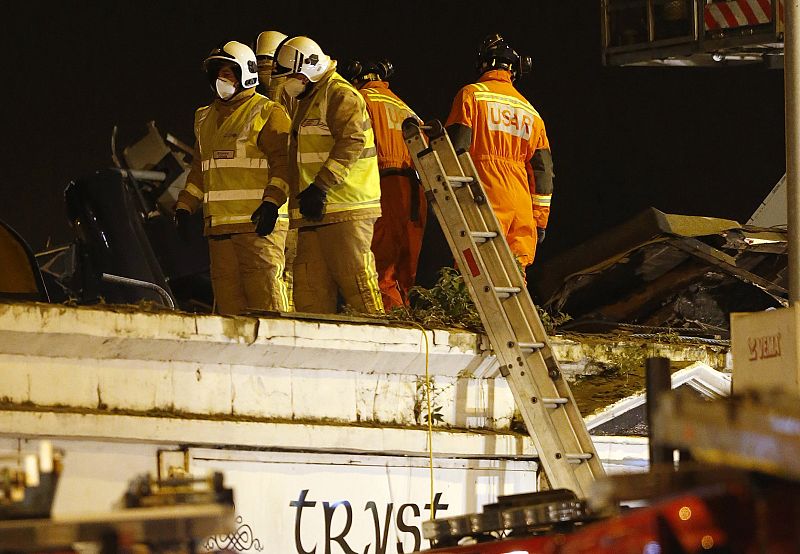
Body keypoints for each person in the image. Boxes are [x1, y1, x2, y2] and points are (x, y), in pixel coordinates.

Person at [267, 36, 383, 315]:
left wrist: (320, 187)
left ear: (306, 70)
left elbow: (351, 142)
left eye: (290, 77)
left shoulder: (340, 94)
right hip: (313, 210)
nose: (288, 84)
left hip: (346, 208)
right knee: (309, 293)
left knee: (359, 287)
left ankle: (381, 352)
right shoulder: (311, 97)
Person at [174, 41, 292, 315]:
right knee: (229, 310)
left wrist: (272, 203)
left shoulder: (267, 111)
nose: (221, 81)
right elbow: (200, 170)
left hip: (258, 227)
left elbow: (283, 164)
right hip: (219, 230)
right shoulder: (204, 117)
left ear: (244, 74)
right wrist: (185, 206)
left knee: (268, 304)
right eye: (217, 75)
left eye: (227, 74)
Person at [445, 33, 554, 270]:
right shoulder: (532, 113)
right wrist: (539, 221)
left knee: (474, 273)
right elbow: (542, 173)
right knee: (515, 278)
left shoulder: (472, 95)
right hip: (521, 205)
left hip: (485, 195)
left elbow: (453, 150)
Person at [344, 59, 426, 310]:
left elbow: (351, 145)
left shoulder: (360, 100)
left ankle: (387, 324)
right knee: (405, 271)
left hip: (382, 185)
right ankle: (405, 320)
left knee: (380, 268)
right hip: (416, 192)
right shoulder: (406, 108)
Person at [255, 29, 297, 310]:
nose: (263, 73)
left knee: (282, 273)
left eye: (266, 65)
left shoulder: (277, 101)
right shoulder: (296, 94)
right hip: (288, 197)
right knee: (288, 273)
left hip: (284, 199)